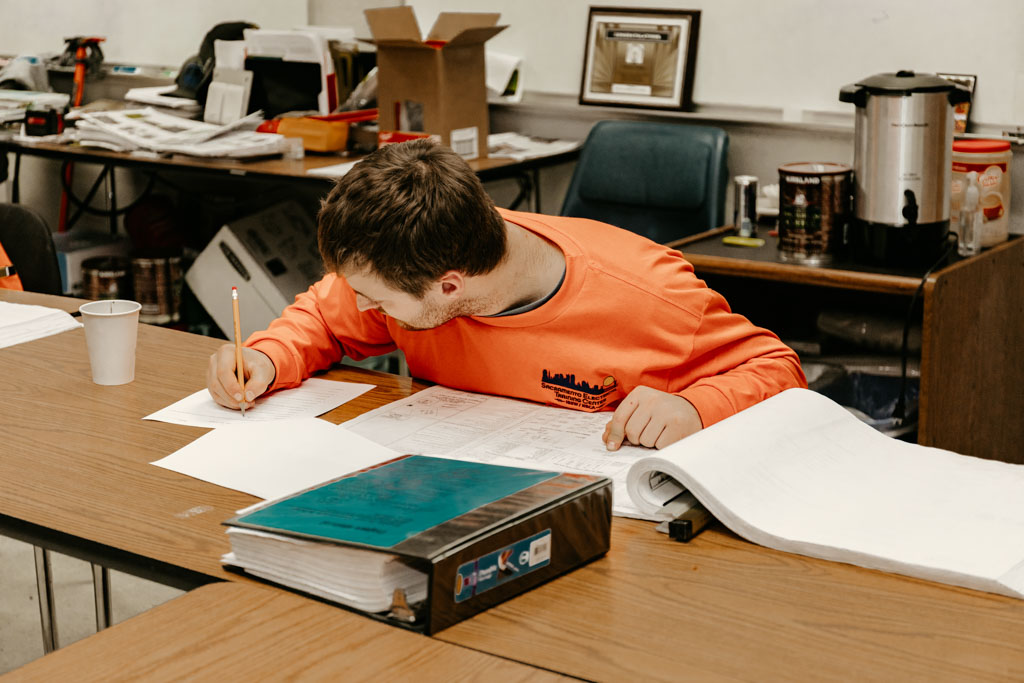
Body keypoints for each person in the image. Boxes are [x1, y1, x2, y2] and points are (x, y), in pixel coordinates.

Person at [207, 139, 806, 451]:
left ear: (450, 285)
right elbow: (324, 317)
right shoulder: (419, 257)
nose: (363, 308)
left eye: (378, 301)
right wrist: (267, 357)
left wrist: (698, 407)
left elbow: (779, 368)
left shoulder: (653, 295)